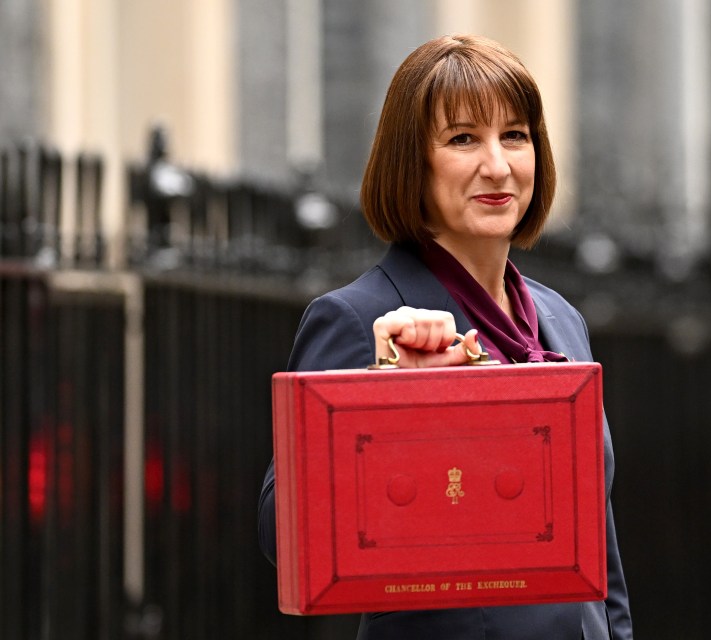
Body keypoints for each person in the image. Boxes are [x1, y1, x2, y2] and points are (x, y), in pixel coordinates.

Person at [258, 34, 633, 639]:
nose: (498, 164)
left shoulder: (562, 319)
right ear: (413, 161)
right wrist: (387, 394)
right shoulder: (359, 317)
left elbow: (599, 553)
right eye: (462, 138)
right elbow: (287, 539)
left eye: (515, 135)